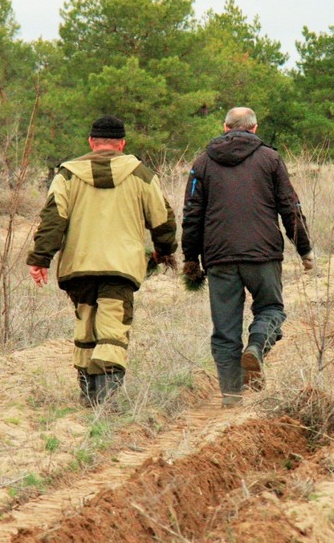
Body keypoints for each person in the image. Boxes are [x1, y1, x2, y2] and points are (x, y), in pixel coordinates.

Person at [26, 115, 177, 407]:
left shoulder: (67, 175)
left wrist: (41, 258)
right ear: (122, 143)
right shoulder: (141, 174)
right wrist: (164, 250)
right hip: (121, 268)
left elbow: (52, 219)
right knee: (112, 330)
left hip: (78, 267)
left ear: (91, 142)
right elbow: (162, 219)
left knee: (86, 327)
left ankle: (87, 397)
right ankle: (106, 402)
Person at [181, 107, 314, 408]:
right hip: (263, 254)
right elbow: (290, 206)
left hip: (219, 257)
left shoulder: (202, 163)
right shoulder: (270, 159)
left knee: (225, 329)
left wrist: (191, 257)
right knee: (270, 308)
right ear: (254, 128)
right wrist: (304, 248)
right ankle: (256, 346)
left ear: (225, 127)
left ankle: (230, 396)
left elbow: (191, 215)